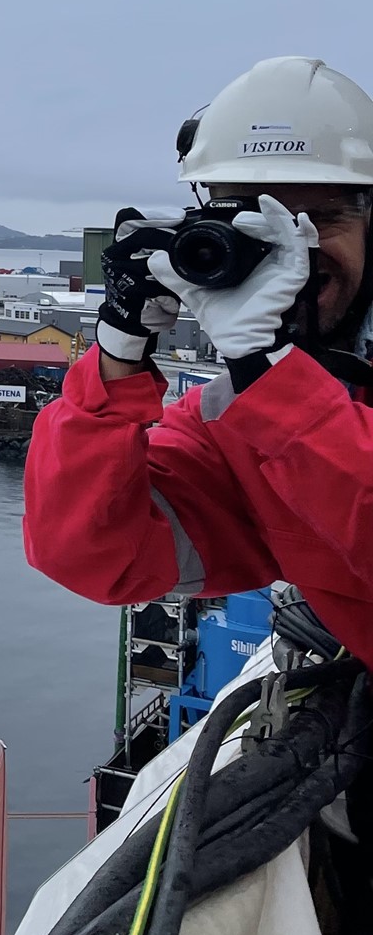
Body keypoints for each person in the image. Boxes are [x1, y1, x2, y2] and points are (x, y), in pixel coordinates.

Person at [23, 56, 373, 659]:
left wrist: (272, 378)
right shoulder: (236, 423)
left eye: (319, 218)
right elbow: (96, 559)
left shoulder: (267, 405)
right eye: (256, 221)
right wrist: (119, 352)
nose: (292, 247)